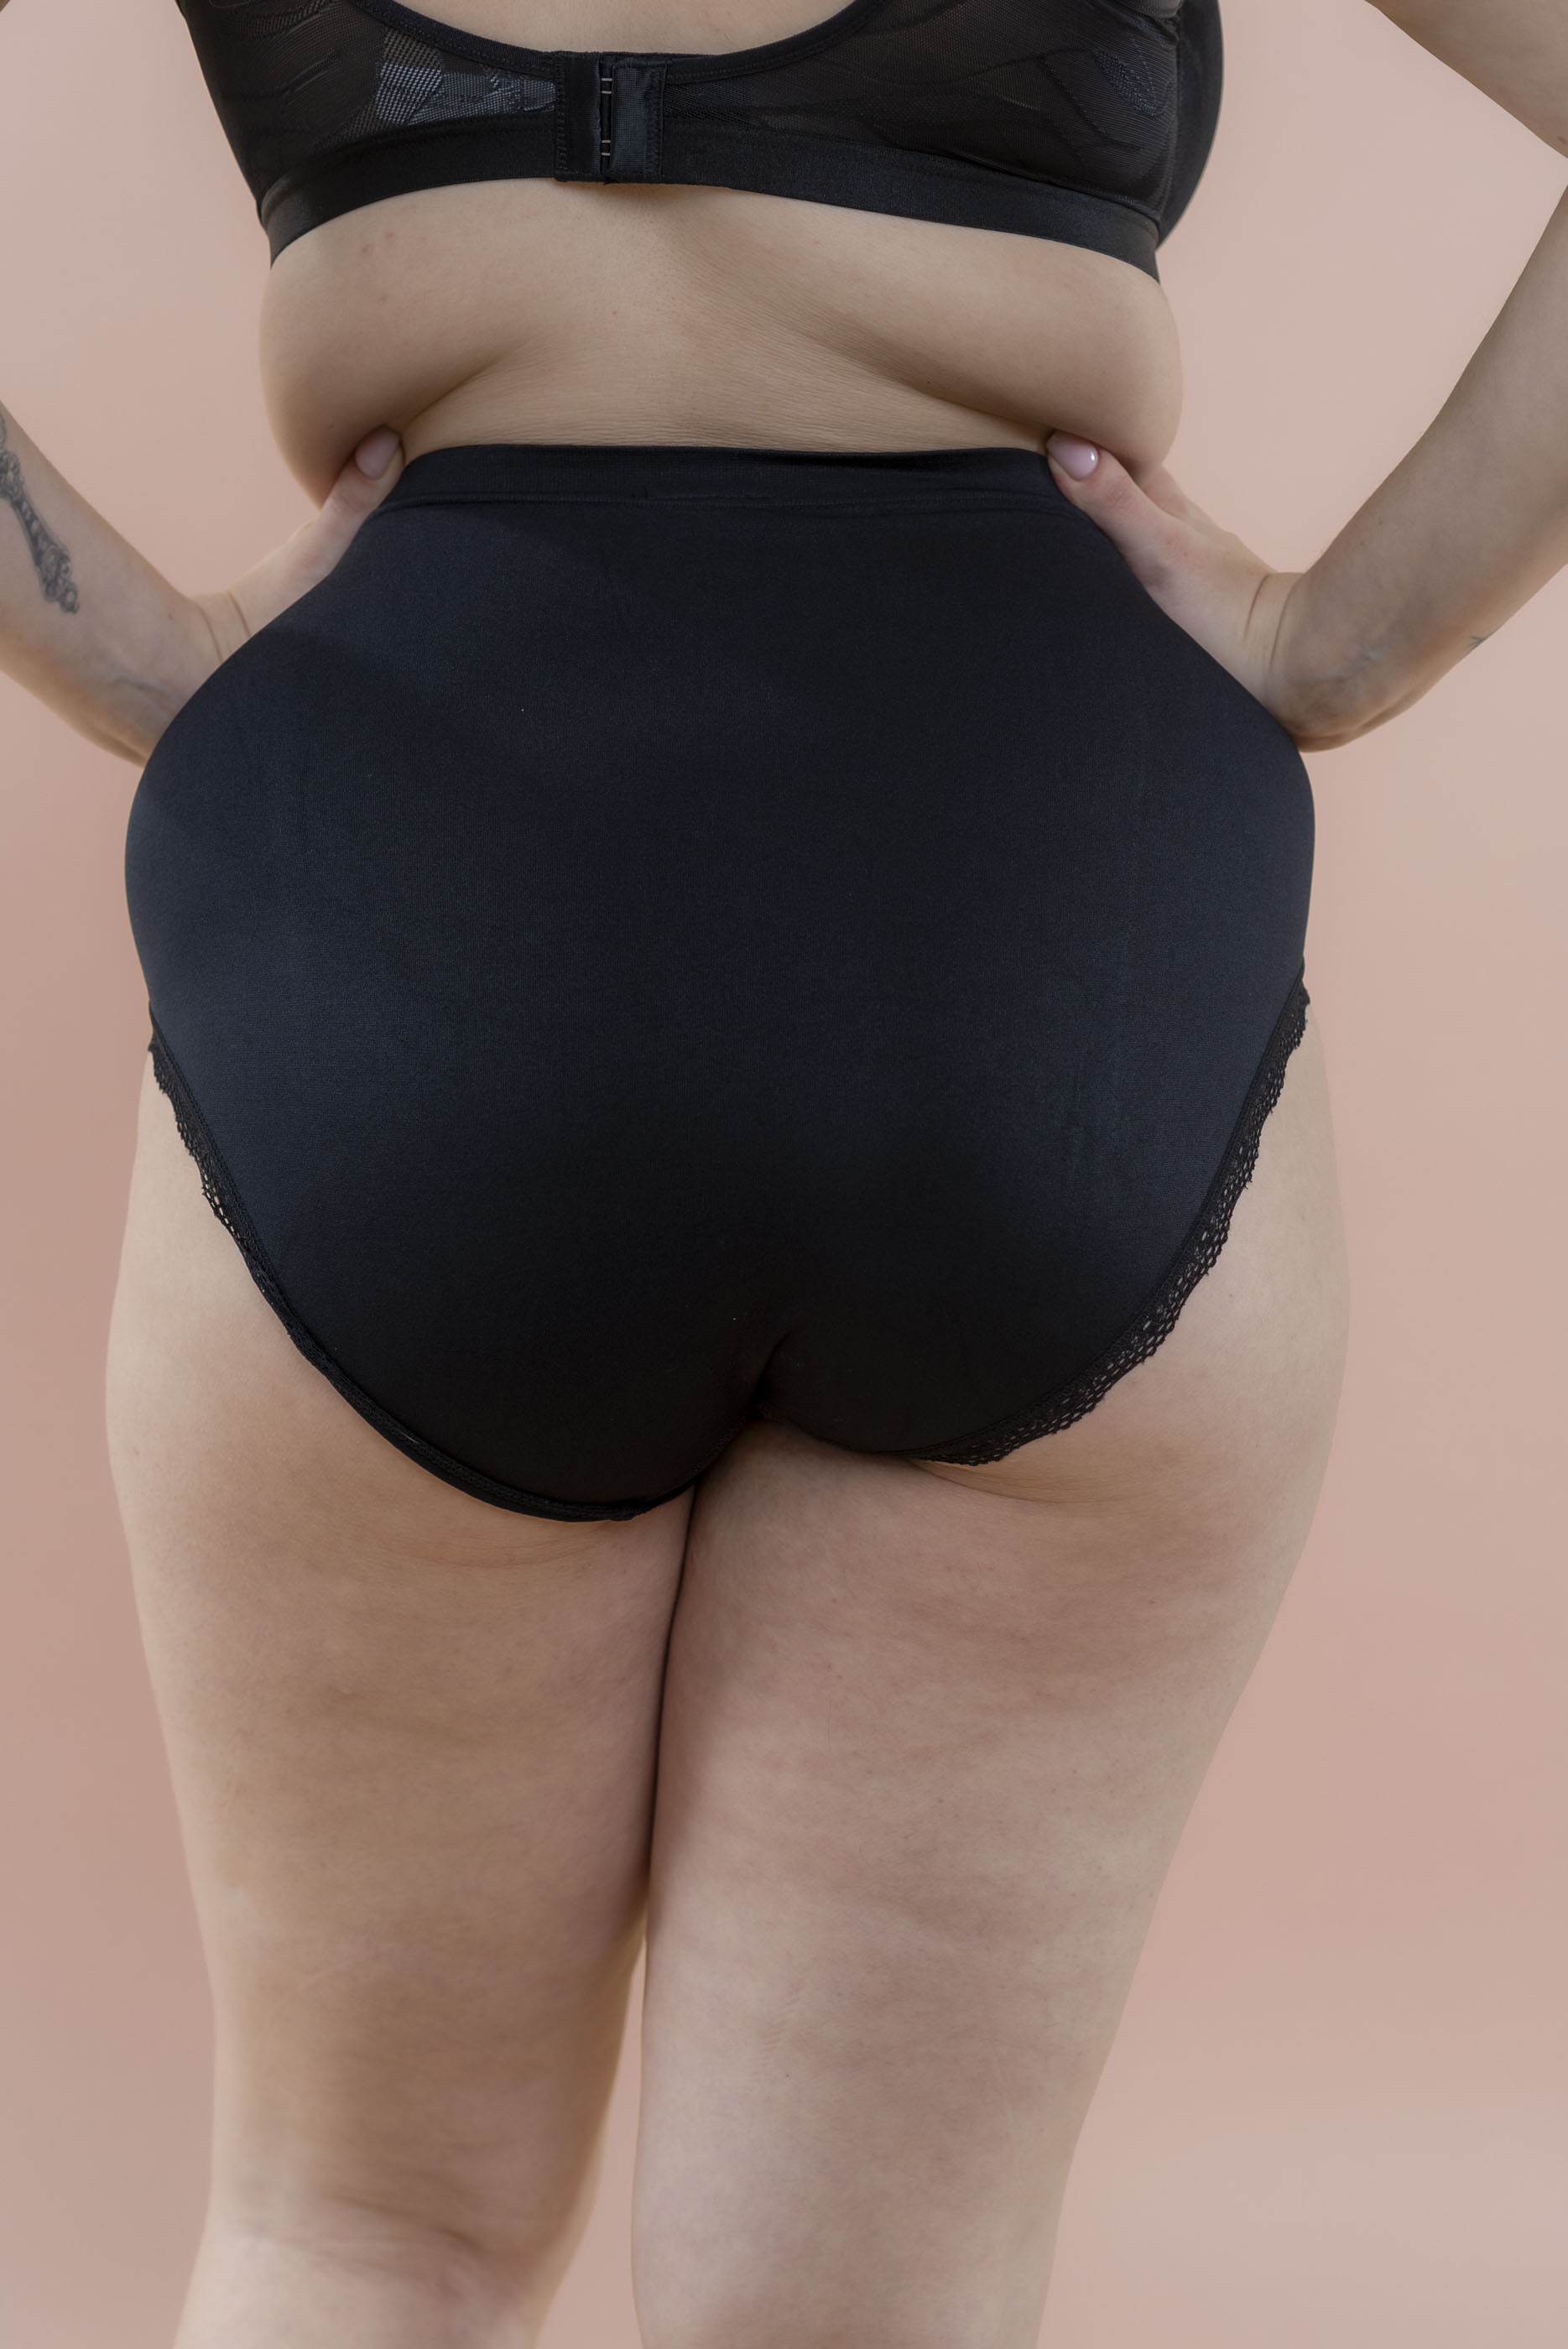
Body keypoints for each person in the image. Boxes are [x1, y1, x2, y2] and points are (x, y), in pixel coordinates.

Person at [0, 2, 1562, 2341]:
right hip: (1046, 928)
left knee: (362, 2230)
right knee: (862, 2309)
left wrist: (140, 660)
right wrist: (1343, 642)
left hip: (402, 897)